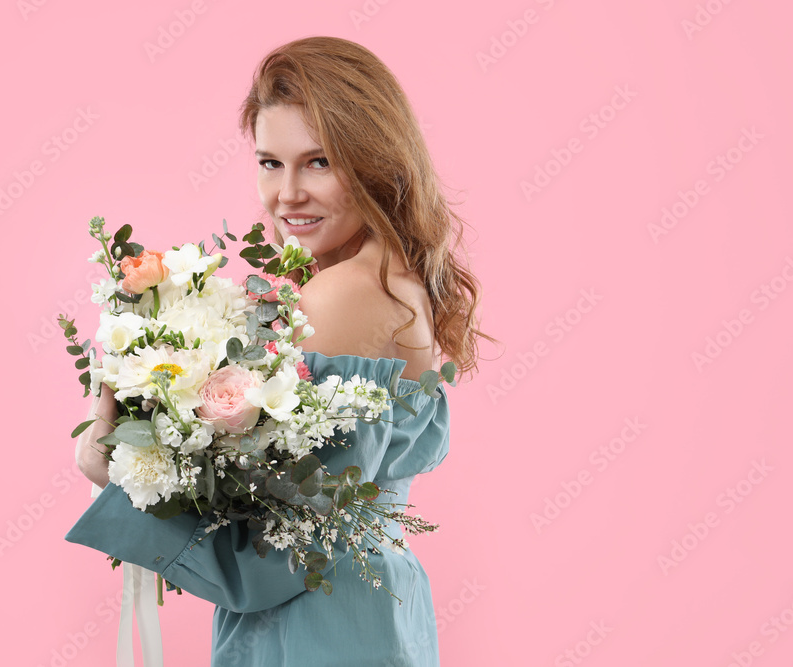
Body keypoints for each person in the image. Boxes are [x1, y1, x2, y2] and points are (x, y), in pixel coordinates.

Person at [67, 36, 494, 666]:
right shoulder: (387, 277)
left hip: (321, 634)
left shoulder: (342, 297)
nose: (287, 193)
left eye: (318, 162)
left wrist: (116, 469)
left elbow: (277, 558)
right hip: (366, 619)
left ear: (376, 161)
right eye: (270, 162)